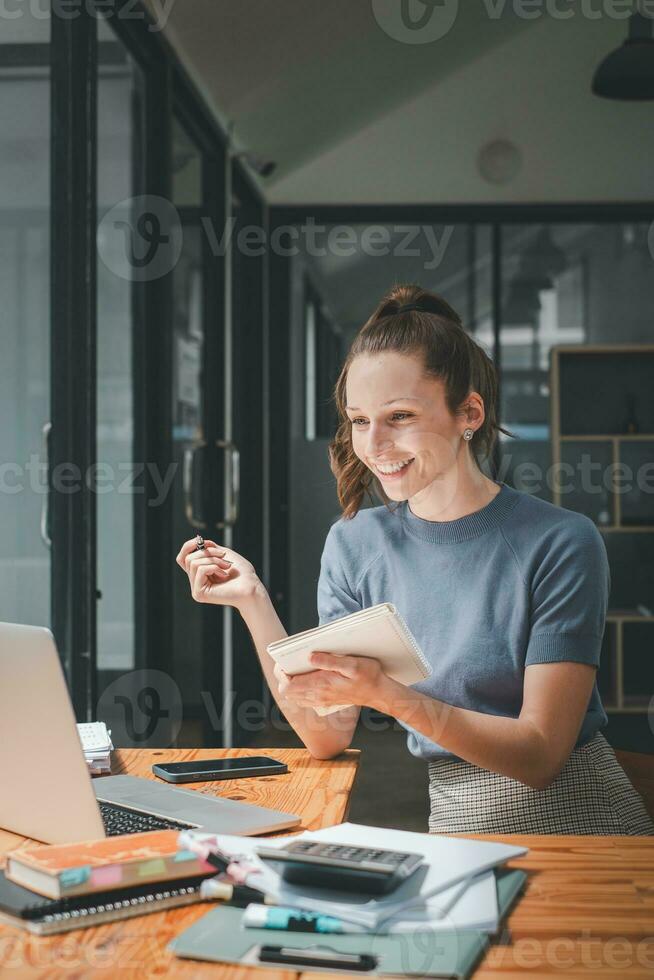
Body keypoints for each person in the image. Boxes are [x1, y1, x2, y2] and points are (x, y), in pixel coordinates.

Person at [177, 283, 654, 836]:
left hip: (583, 826)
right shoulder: (355, 543)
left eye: (398, 416)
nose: (374, 444)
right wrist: (253, 603)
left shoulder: (562, 542)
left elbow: (541, 756)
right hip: (458, 821)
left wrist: (386, 693)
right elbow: (327, 734)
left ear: (468, 412)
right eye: (359, 420)